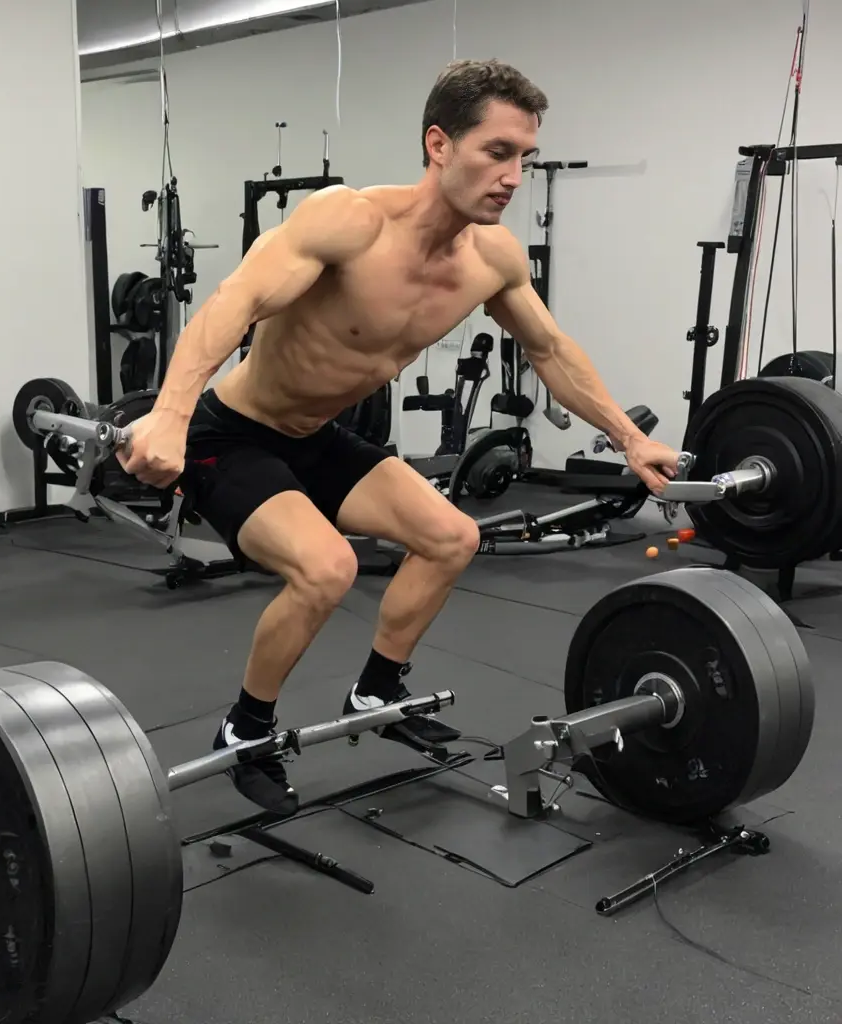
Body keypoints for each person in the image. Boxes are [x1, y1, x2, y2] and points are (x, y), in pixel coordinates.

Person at [119, 59, 681, 816]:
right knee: (327, 569)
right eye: (498, 152)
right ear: (439, 144)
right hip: (235, 433)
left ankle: (376, 692)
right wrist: (171, 414)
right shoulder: (348, 223)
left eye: (525, 157)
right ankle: (244, 728)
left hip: (318, 436)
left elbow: (550, 351)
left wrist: (628, 438)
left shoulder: (492, 260)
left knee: (452, 537)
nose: (513, 177)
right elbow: (236, 299)